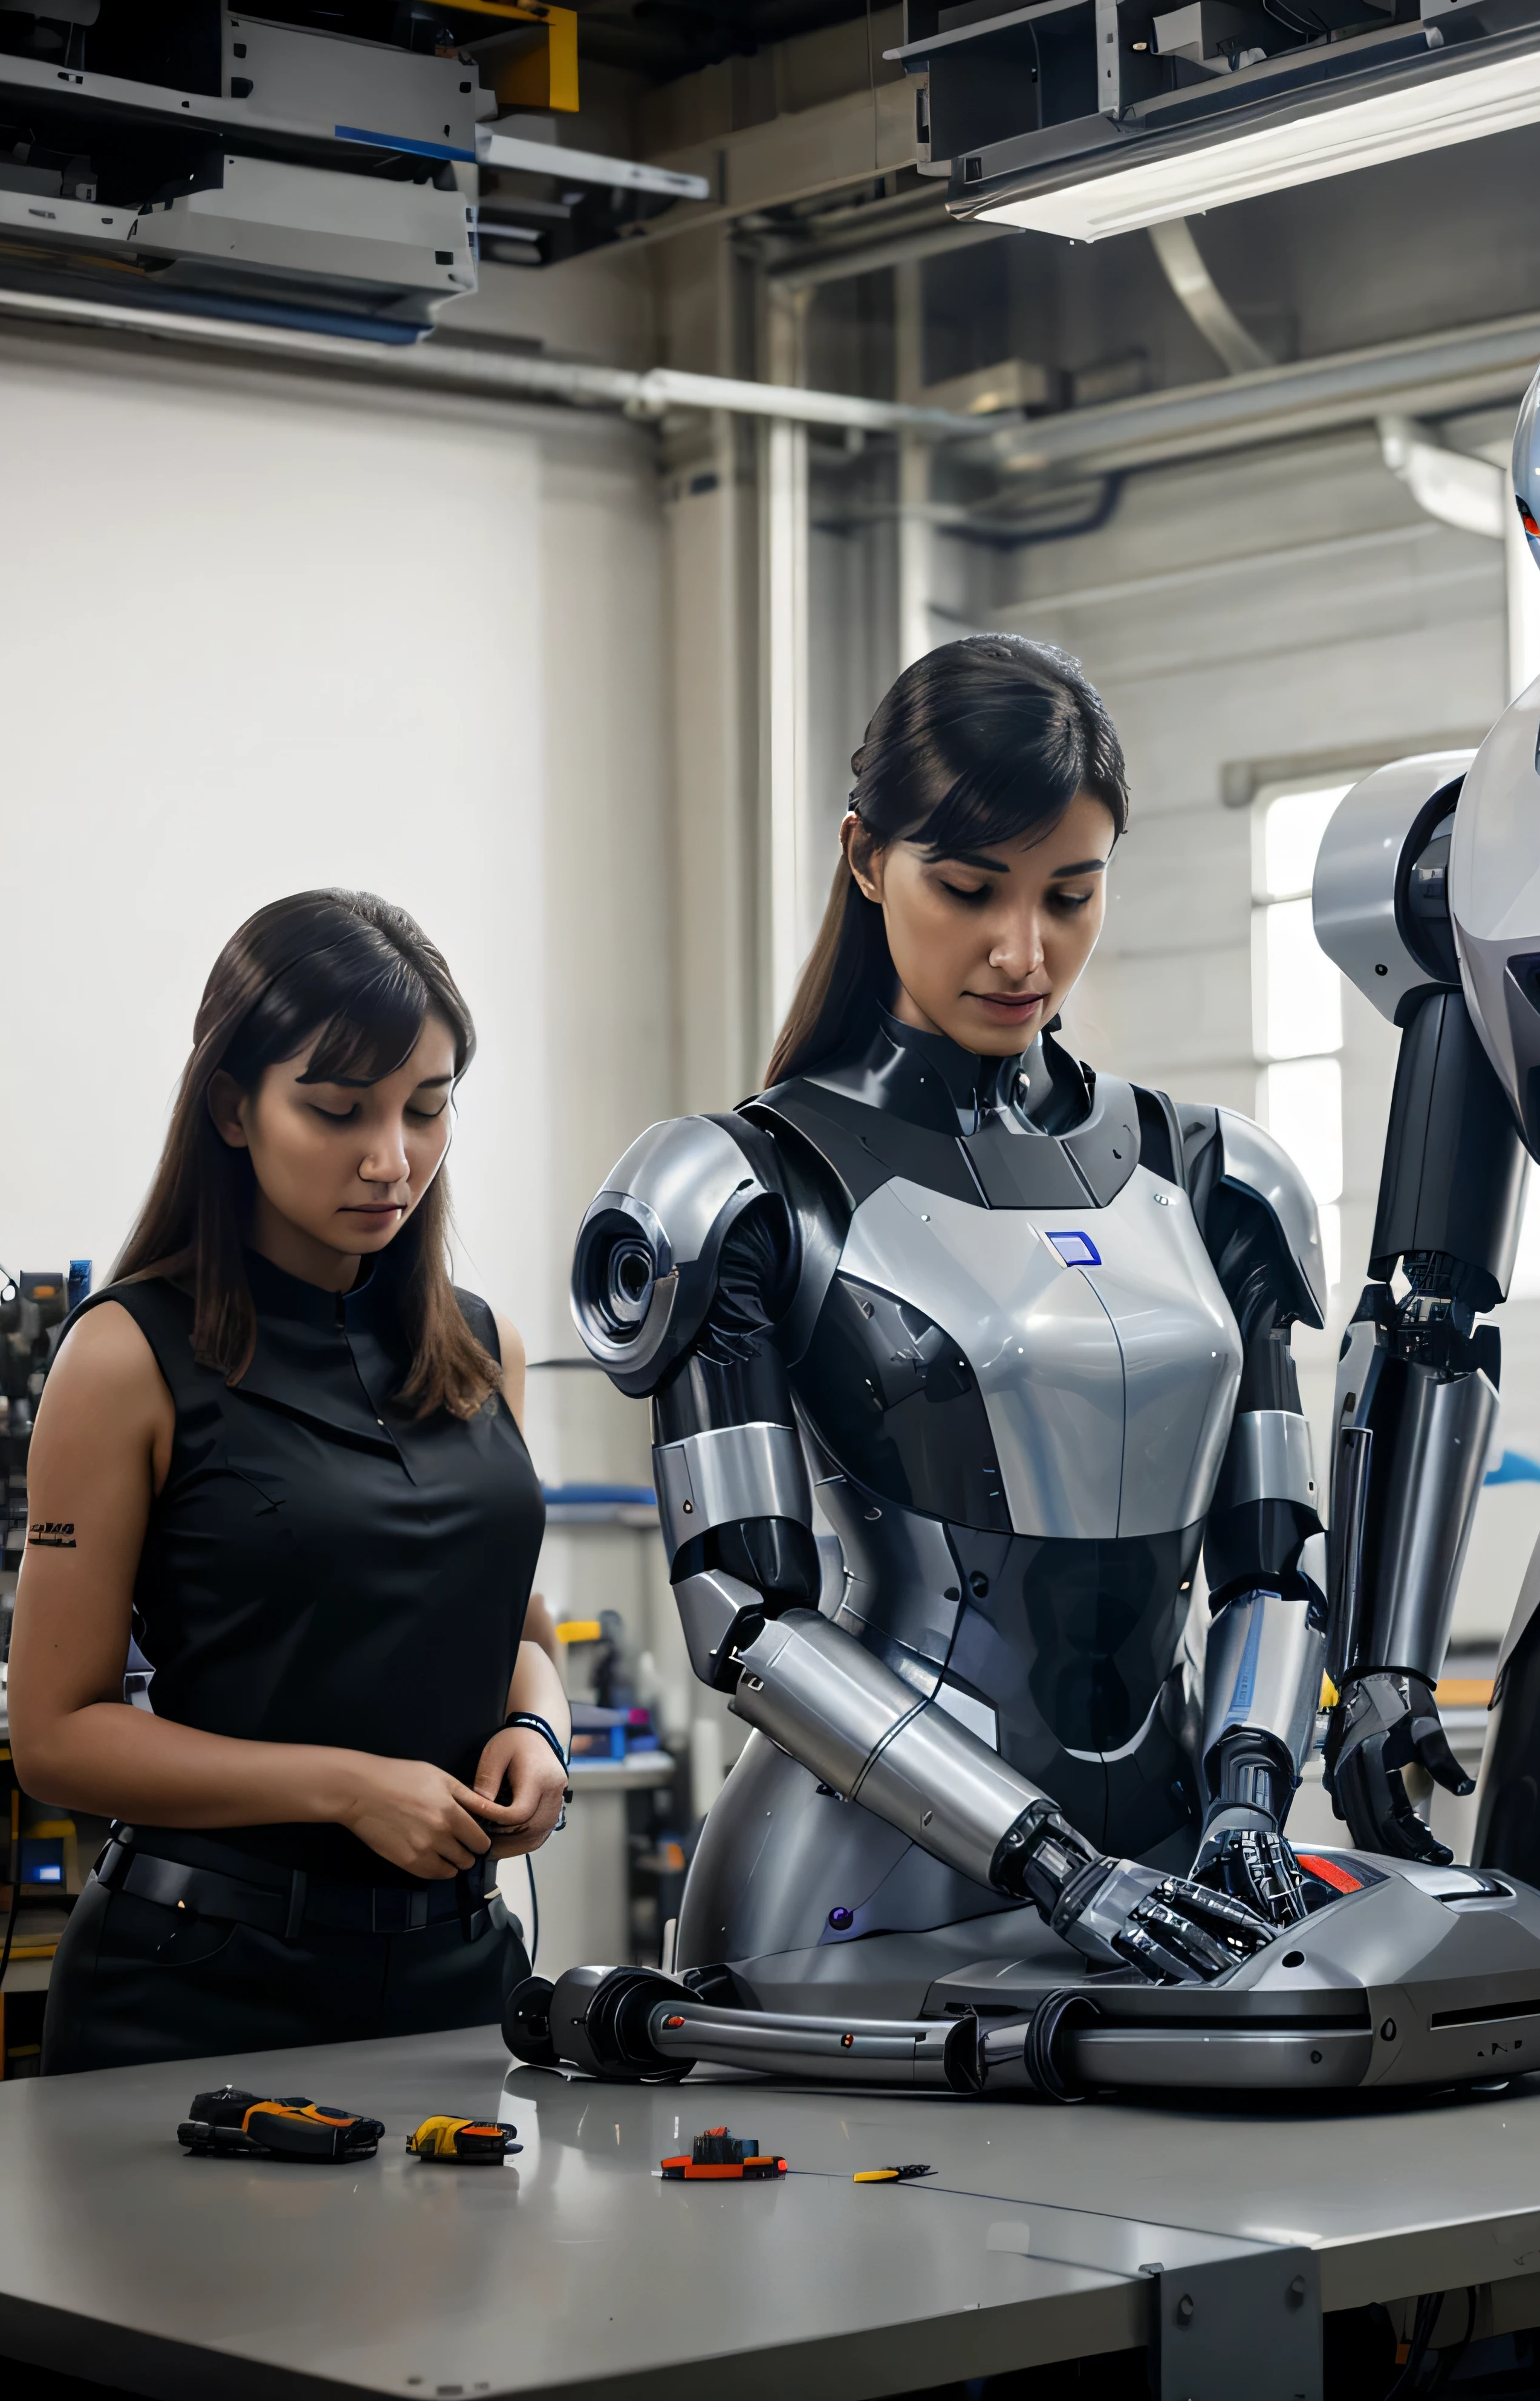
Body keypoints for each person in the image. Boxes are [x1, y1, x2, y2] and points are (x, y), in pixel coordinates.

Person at [568, 634, 1334, 2014]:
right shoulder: (743, 1185)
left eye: (1071, 893)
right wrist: (1051, 1859)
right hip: (856, 1888)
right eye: (970, 888)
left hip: (1183, 1874)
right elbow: (743, 1617)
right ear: (865, 858)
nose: (1022, 950)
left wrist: (1246, 1798)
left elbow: (1273, 1568)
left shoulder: (1212, 1174)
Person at [17, 891, 567, 2073]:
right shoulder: (125, 1355)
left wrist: (538, 1725)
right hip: (200, 1987)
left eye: (426, 1110)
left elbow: (514, 1629)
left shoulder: (485, 1347)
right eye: (336, 1110)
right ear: (232, 1104)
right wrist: (345, 1788)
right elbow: (55, 1736)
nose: (390, 1158)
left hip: (462, 1980)